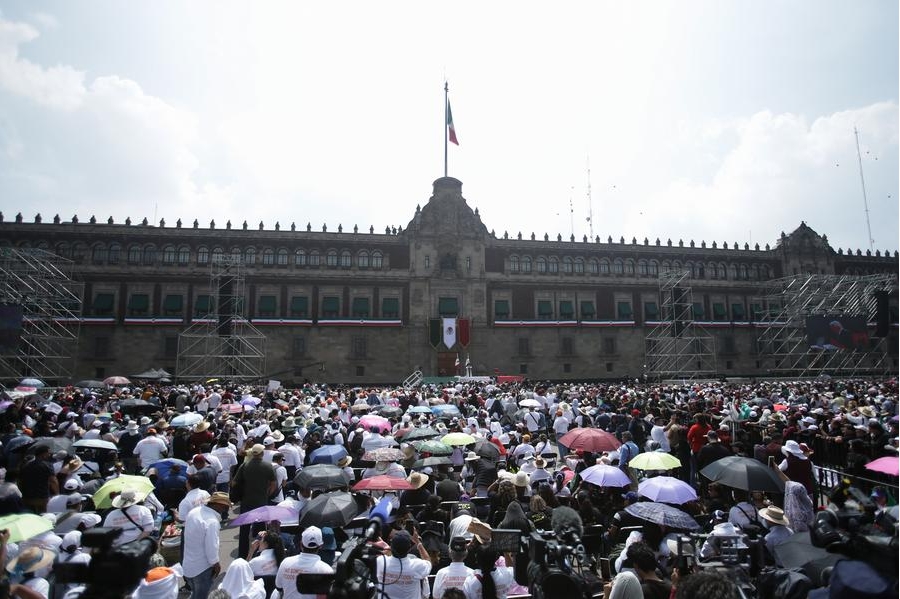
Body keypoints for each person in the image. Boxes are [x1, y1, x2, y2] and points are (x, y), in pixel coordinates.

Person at [182, 492, 232, 599]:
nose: (225, 510)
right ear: (218, 505)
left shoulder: (193, 512)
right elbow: (211, 548)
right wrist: (216, 565)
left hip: (188, 567)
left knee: (195, 594)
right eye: (225, 507)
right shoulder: (212, 522)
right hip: (202, 569)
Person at [232, 444, 277, 558]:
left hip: (246, 502)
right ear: (262, 453)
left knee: (244, 531)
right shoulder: (268, 466)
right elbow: (273, 484)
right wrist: (266, 495)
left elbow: (234, 482)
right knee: (260, 531)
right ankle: (259, 553)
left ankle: (242, 555)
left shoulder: (245, 465)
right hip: (261, 502)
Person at [276, 526, 334, 599]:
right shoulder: (326, 570)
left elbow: (279, 587)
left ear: (301, 544)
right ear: (321, 546)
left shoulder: (286, 562)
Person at [375, 530, 431, 599]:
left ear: (391, 546)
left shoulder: (381, 561)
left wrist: (389, 548)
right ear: (409, 548)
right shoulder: (416, 566)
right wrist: (418, 542)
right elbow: (428, 561)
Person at [19, 446, 58, 514]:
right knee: (43, 517)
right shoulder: (47, 465)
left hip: (27, 498)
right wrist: (57, 494)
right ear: (43, 454)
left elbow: (19, 481)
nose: (49, 455)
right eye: (48, 453)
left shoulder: (26, 465)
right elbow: (53, 481)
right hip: (42, 498)